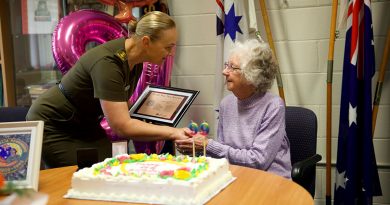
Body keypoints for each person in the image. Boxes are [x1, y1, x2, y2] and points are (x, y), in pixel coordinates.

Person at [27, 11, 192, 168]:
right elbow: (122, 126)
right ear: (146, 42)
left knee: (106, 169)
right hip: (55, 124)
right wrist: (172, 132)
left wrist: (156, 109)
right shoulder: (108, 63)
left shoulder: (135, 62)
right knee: (79, 175)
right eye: (167, 47)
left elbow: (123, 103)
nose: (170, 53)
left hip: (86, 123)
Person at [176, 38, 292, 178]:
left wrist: (208, 145)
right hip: (236, 176)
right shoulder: (226, 103)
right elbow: (222, 153)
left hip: (270, 180)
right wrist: (196, 148)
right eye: (227, 65)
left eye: (233, 67)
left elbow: (258, 161)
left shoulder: (273, 106)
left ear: (253, 75)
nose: (224, 71)